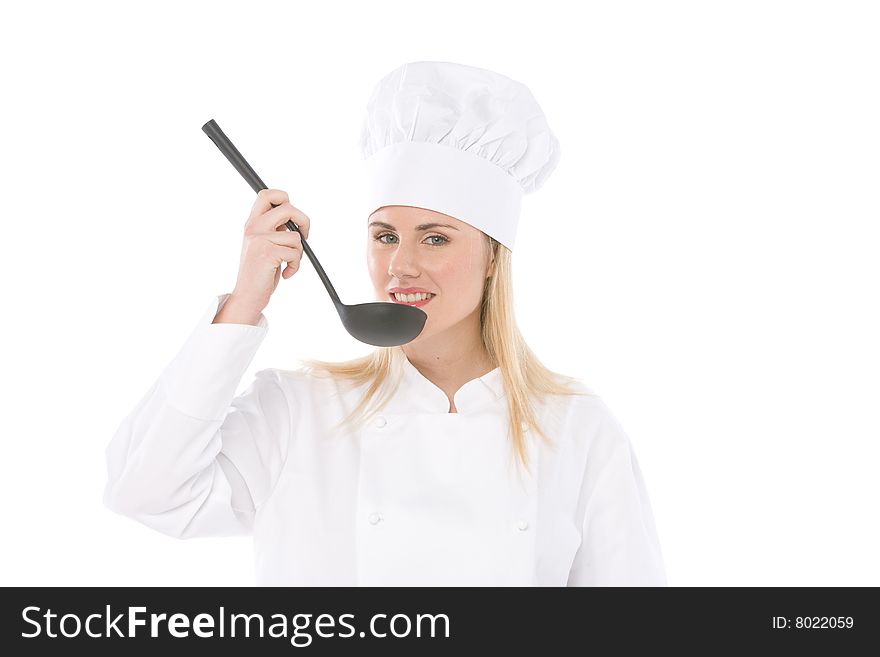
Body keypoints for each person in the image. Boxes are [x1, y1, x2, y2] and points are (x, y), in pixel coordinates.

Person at [103, 60, 667, 586]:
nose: (401, 265)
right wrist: (247, 298)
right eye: (385, 236)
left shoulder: (575, 427)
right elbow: (146, 491)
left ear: (494, 257)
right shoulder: (300, 409)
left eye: (436, 237)